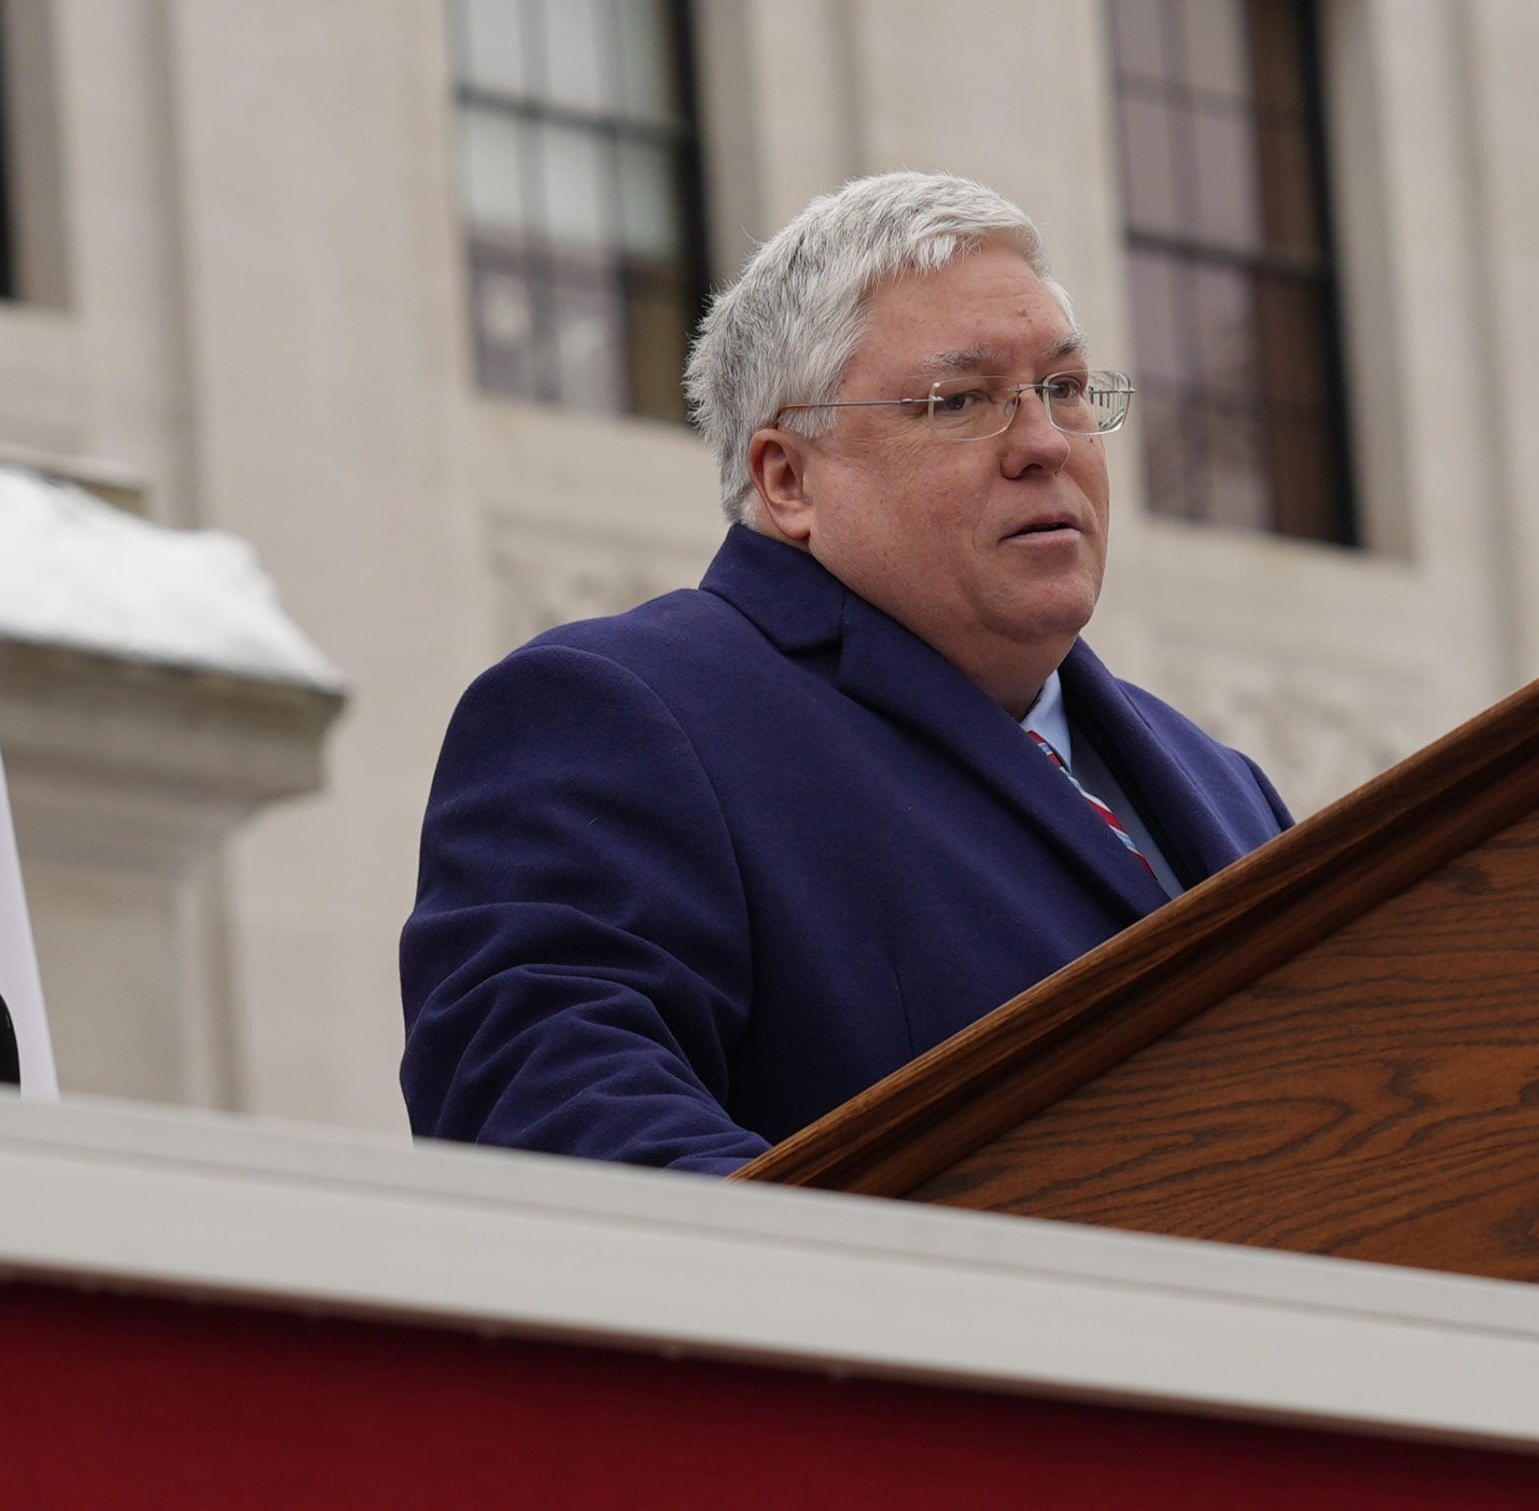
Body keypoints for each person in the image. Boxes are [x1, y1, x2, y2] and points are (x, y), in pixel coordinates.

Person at [399, 173, 1292, 1173]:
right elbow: (554, 1118)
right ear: (788, 479)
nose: (1044, 443)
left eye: (1066, 388)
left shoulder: (1229, 788)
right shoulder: (614, 712)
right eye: (960, 400)